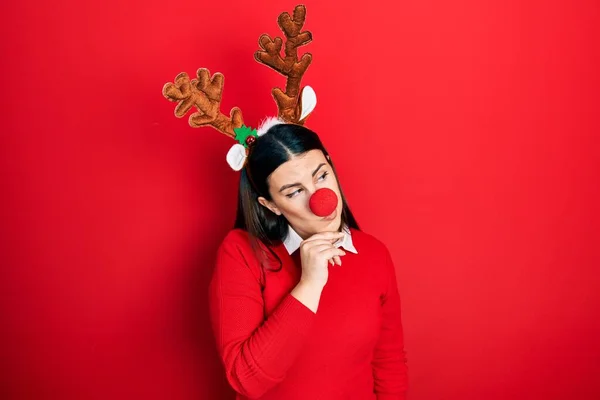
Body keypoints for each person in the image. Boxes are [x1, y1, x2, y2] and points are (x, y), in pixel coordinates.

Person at [208, 122, 409, 400]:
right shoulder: (241, 252)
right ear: (271, 205)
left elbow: (389, 365)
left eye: (322, 176)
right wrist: (309, 284)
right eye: (294, 192)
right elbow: (246, 381)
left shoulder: (375, 254)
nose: (320, 199)